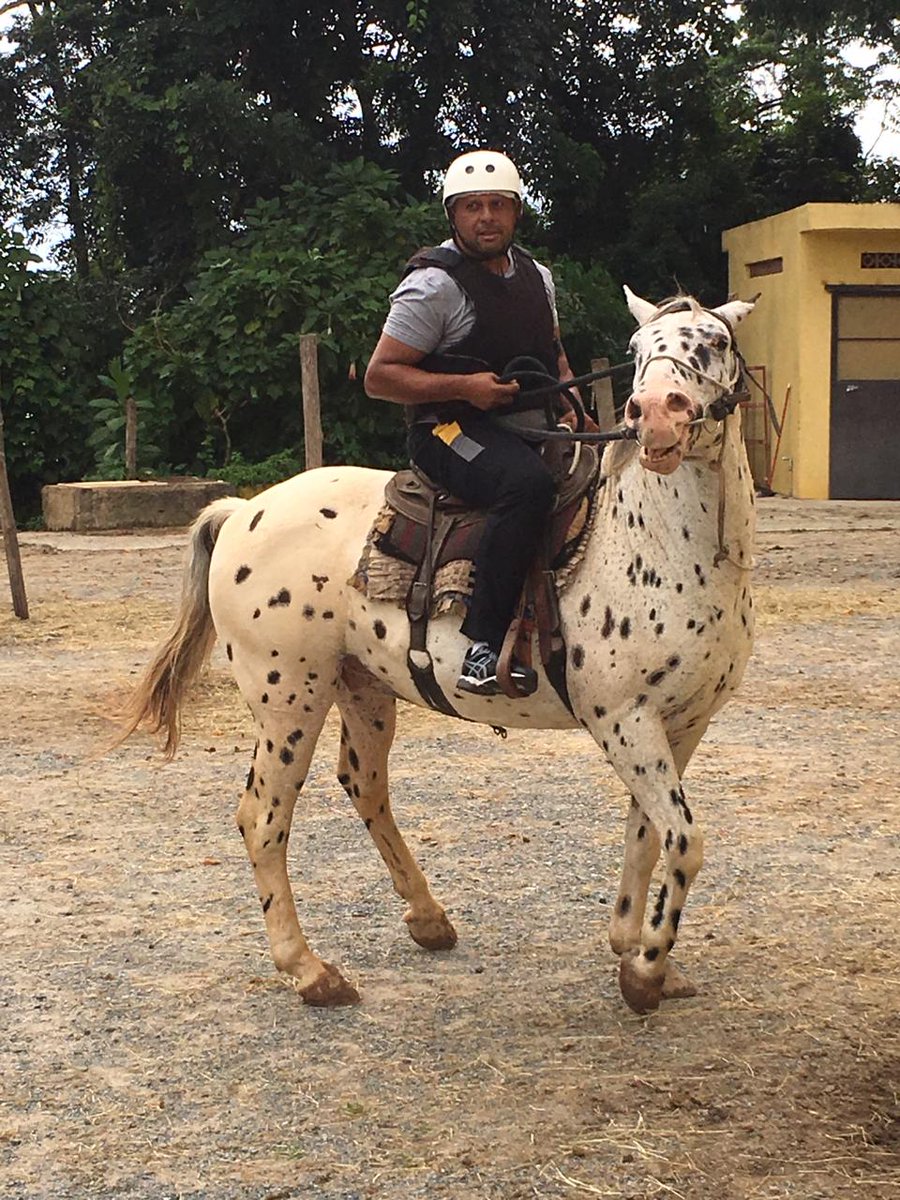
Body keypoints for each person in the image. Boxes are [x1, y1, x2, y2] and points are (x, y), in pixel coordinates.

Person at [365, 149, 582, 696]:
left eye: (498, 205)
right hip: (448, 429)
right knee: (525, 486)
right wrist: (465, 388)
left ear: (516, 212)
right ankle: (482, 645)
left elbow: (552, 354)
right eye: (472, 207)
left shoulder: (539, 277)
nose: (486, 216)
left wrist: (575, 406)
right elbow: (381, 377)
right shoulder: (433, 286)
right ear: (453, 216)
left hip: (528, 421)